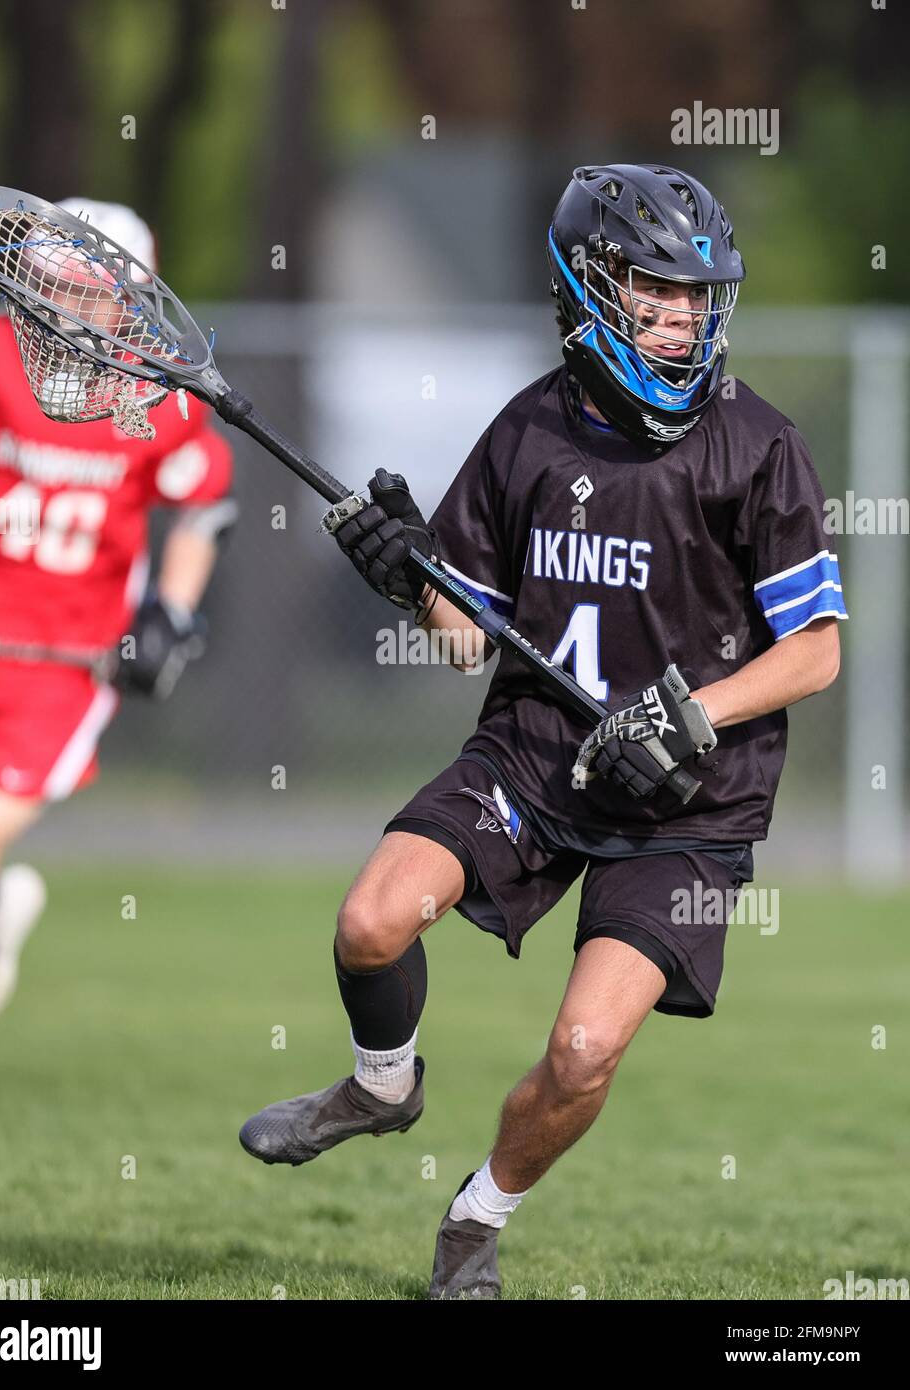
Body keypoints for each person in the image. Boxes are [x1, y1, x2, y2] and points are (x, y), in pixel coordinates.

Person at [238, 164, 846, 1298]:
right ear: (589, 288)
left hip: (688, 805)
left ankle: (478, 1216)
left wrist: (690, 712)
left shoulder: (760, 448)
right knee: (371, 921)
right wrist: (406, 576)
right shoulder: (527, 431)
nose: (682, 318)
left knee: (581, 1051)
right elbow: (470, 636)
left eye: (698, 296)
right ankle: (380, 1084)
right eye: (655, 293)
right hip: (536, 757)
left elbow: (817, 649)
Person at [0, 199, 236, 1025]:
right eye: (46, 288)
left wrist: (170, 614)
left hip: (63, 664)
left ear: (128, 301)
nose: (61, 311)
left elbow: (203, 509)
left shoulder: (154, 394)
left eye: (82, 295)